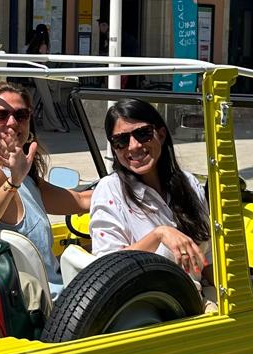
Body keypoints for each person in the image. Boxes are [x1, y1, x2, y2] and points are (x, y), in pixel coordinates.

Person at [0, 82, 91, 294]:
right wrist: (13, 182)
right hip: (45, 302)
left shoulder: (26, 178)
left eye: (21, 115)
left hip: (50, 292)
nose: (12, 122)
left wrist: (124, 190)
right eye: (0, 115)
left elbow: (79, 201)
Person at [88, 96, 209, 277]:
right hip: (147, 293)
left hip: (195, 289)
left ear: (161, 134)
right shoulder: (110, 191)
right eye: (121, 141)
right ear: (114, 148)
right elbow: (105, 268)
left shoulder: (190, 183)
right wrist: (159, 235)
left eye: (143, 133)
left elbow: (207, 257)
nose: (134, 146)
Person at [25, 24, 63, 131]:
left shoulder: (32, 43)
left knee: (38, 98)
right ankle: (55, 124)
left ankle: (32, 118)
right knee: (47, 99)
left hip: (31, 74)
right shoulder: (43, 45)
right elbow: (43, 61)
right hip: (39, 74)